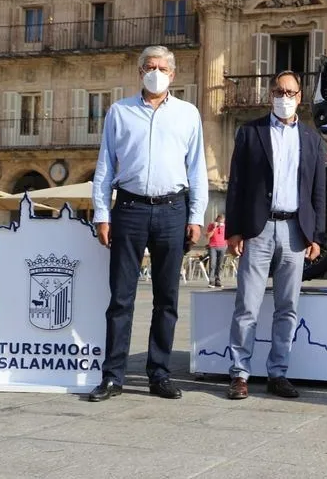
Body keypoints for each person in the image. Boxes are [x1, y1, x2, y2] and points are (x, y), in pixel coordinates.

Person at [89, 45, 208, 402]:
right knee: (121, 297)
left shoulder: (188, 114)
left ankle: (159, 373)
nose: (155, 72)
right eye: (149, 66)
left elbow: (197, 168)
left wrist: (196, 216)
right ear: (140, 72)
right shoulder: (119, 112)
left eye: (162, 67)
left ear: (173, 75)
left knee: (167, 298)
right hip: (129, 207)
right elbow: (105, 166)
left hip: (173, 209)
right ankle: (113, 376)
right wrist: (101, 213)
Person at [224, 70, 326, 400]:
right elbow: (236, 184)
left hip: (296, 229)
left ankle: (278, 373)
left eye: (291, 92)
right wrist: (234, 231)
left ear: (300, 97)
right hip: (258, 228)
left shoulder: (312, 140)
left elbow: (318, 191)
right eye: (280, 91)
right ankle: (239, 373)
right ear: (272, 95)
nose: (285, 97)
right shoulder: (250, 132)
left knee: (288, 307)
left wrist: (317, 235)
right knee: (247, 305)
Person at [206, 214, 227, 288]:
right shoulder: (211, 225)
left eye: (223, 220)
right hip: (213, 246)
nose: (221, 221)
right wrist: (214, 228)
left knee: (220, 265)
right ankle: (211, 281)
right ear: (217, 219)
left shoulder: (225, 226)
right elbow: (208, 236)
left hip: (223, 246)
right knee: (212, 264)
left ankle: (218, 281)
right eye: (220, 219)